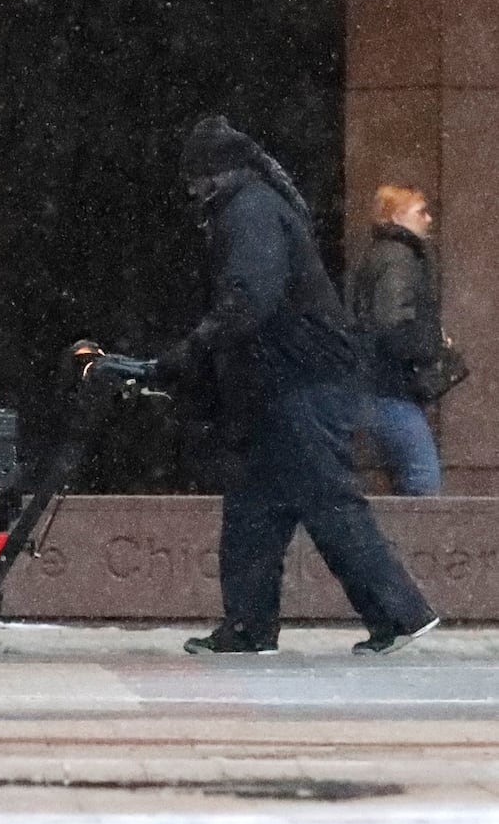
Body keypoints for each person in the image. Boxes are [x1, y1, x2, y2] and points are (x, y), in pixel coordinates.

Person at [153, 116, 438, 655]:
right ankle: (248, 627)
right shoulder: (252, 205)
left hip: (300, 381)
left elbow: (250, 298)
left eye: (195, 177)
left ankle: (399, 612)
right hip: (284, 384)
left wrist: (193, 349)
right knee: (254, 506)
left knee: (327, 498)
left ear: (214, 173)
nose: (191, 190)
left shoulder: (250, 211)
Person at [349, 184, 444, 496]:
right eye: (421, 212)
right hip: (392, 387)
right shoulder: (400, 258)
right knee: (423, 482)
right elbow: (392, 324)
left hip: (377, 383)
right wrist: (429, 348)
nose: (428, 219)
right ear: (397, 216)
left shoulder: (381, 254)